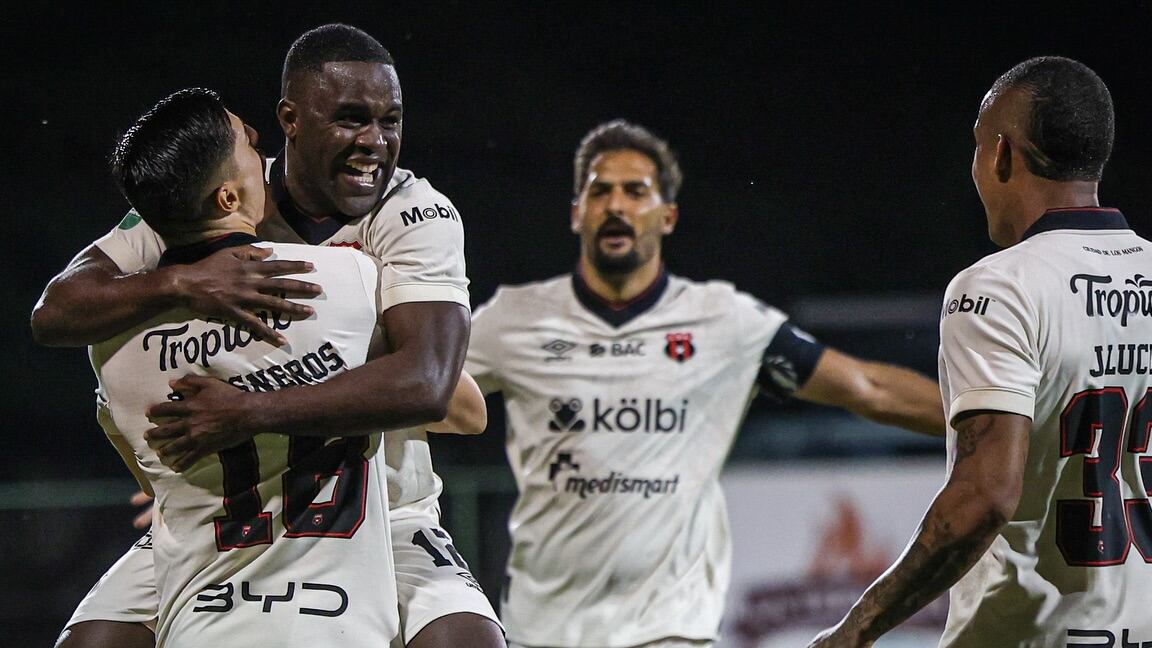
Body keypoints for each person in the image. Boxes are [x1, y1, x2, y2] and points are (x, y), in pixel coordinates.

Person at [34, 23, 504, 648]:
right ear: (290, 119)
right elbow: (54, 311)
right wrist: (184, 283)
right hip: (234, 512)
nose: (375, 142)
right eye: (351, 119)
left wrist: (248, 412)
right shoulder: (211, 195)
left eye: (390, 120)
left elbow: (444, 393)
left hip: (382, 505)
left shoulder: (411, 212)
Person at [463, 119, 947, 648]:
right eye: (600, 191)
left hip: (670, 633)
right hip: (541, 632)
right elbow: (422, 390)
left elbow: (867, 387)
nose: (616, 205)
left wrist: (988, 421)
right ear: (577, 212)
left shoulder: (723, 321)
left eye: (635, 191)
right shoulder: (514, 319)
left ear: (667, 216)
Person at [808, 56, 1152, 648]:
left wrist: (855, 629)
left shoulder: (1000, 286)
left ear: (999, 154)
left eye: (976, 145)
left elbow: (985, 496)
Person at [92, 86, 399, 647]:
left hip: (200, 627)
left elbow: (138, 460)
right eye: (246, 143)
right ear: (228, 198)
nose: (260, 141)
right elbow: (450, 398)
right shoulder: (345, 280)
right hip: (338, 624)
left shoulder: (110, 346)